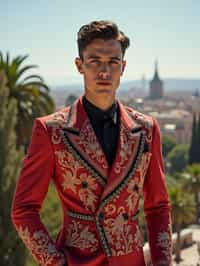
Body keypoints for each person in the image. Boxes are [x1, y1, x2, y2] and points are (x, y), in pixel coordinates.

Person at [11, 20, 172, 266]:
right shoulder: (51, 131)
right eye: (95, 61)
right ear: (79, 65)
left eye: (113, 63)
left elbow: (158, 207)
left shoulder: (148, 129)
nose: (104, 72)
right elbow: (23, 209)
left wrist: (163, 263)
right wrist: (56, 262)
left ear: (123, 67)